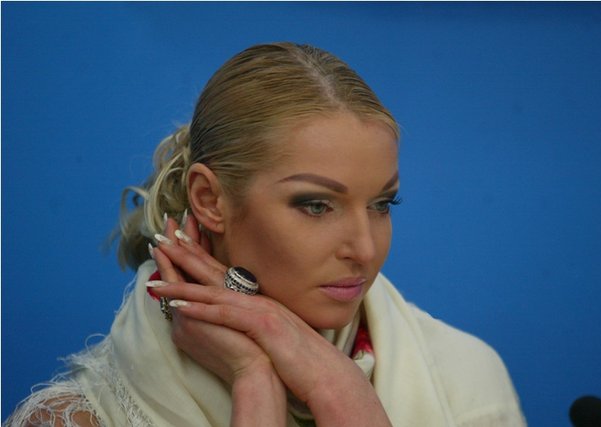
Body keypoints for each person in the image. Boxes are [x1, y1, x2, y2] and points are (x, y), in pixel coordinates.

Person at [6, 42, 526, 427]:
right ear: (209, 200)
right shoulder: (79, 419)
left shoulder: (466, 380)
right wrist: (254, 379)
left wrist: (338, 389)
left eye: (382, 205)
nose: (365, 250)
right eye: (316, 205)